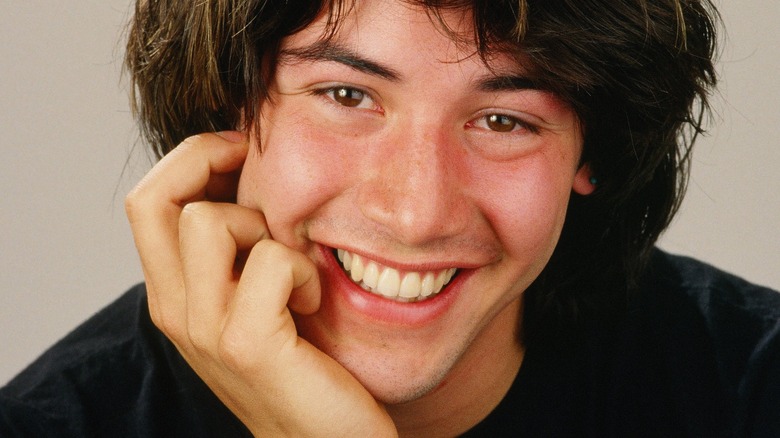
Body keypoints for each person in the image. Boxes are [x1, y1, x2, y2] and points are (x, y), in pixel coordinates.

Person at [2, 0, 779, 436]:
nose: (415, 213)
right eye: (347, 97)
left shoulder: (750, 386)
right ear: (224, 105)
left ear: (592, 153)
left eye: (504, 120)